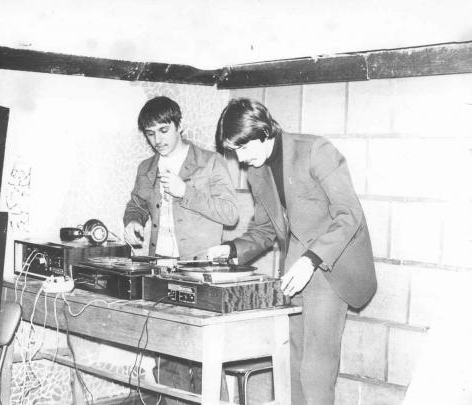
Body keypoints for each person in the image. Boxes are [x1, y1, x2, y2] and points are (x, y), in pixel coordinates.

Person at [208, 98, 377, 405]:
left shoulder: (315, 151)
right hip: (294, 267)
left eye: (243, 148)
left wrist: (311, 260)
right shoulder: (257, 172)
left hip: (329, 264)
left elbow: (349, 214)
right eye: (235, 152)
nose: (241, 159)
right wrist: (230, 248)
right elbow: (264, 229)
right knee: (291, 362)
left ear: (263, 132)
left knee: (315, 368)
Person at [123, 96, 238, 404]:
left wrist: (185, 191)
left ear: (179, 126)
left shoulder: (210, 162)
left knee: (204, 358)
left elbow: (230, 213)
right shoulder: (146, 168)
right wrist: (133, 221)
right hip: (161, 270)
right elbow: (136, 204)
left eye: (164, 130)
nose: (157, 140)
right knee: (166, 354)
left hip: (201, 272)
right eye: (150, 133)